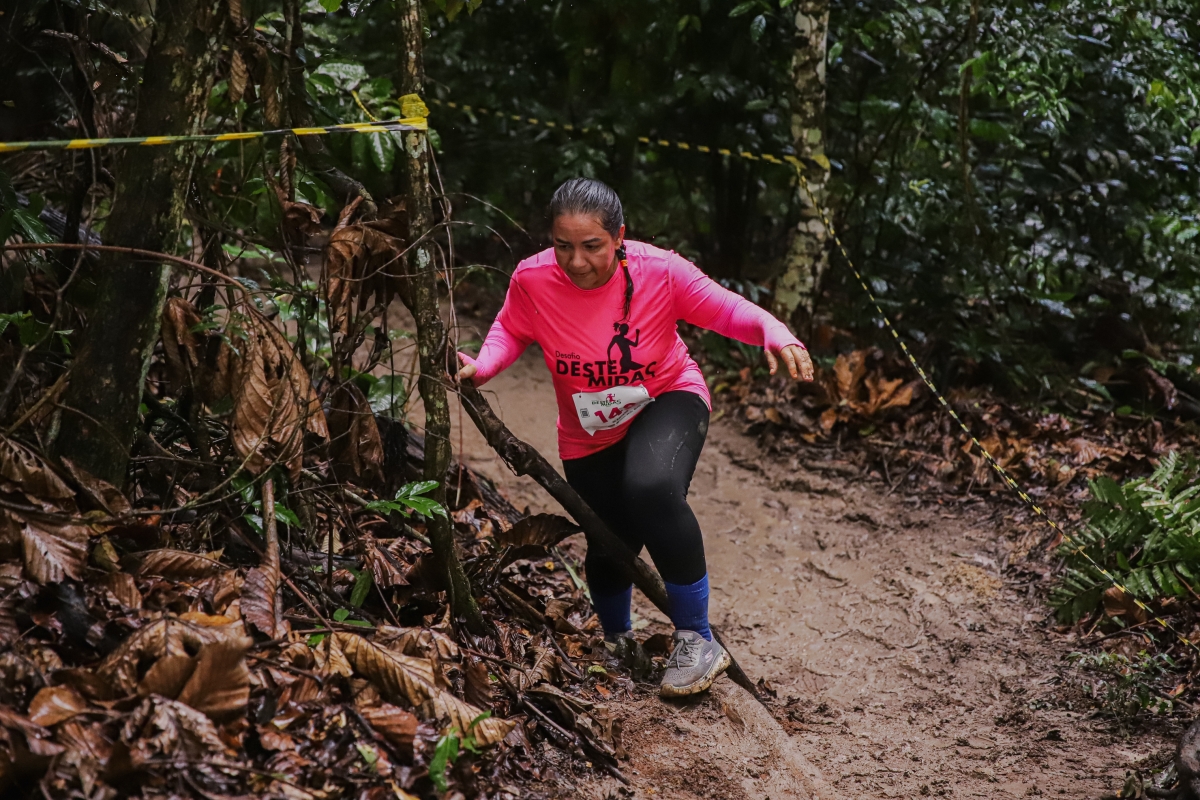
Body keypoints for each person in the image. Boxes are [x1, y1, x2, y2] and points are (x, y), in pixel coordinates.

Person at [458, 178, 814, 697]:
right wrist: (483, 366)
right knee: (608, 540)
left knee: (650, 486)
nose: (576, 261)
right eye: (562, 246)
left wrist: (774, 332)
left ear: (619, 236)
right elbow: (511, 328)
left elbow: (727, 308)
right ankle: (617, 640)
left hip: (667, 397)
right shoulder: (533, 278)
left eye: (591, 246)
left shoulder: (660, 272)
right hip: (588, 430)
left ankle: (696, 638)